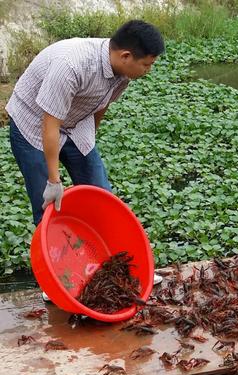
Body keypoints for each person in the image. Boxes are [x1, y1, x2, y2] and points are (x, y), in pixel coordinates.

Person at [5, 20, 166, 296]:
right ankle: (57, 281)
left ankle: (120, 269)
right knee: (47, 207)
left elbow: (100, 105)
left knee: (102, 196)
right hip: (34, 124)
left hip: (75, 123)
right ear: (126, 56)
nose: (148, 71)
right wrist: (54, 180)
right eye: (147, 65)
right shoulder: (72, 66)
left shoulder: (123, 73)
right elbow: (50, 123)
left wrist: (88, 143)